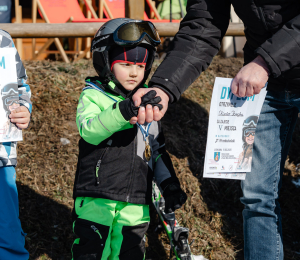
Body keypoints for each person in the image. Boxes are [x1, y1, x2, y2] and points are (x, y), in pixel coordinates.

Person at [130, 1, 300, 259]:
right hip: (265, 86)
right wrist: (164, 87)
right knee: (257, 197)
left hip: (265, 67)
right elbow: (203, 25)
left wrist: (265, 61)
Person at [72, 18, 187, 260]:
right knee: (91, 253)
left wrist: (170, 185)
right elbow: (89, 130)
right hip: (97, 199)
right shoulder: (93, 95)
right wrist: (124, 111)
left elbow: (156, 150)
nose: (135, 72)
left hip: (136, 203)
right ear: (105, 61)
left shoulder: (147, 103)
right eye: (125, 63)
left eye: (141, 65)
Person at [0, 30, 32, 260]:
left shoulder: (3, 41)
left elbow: (20, 87)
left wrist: (23, 110)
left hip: (1, 156)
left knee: (7, 233)